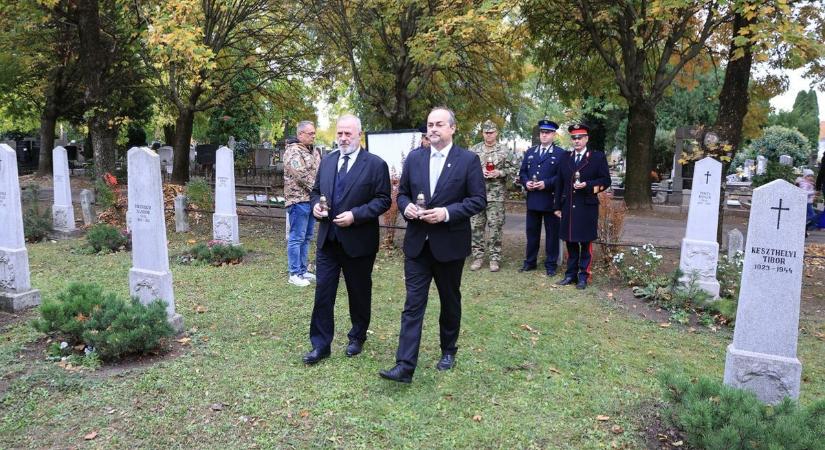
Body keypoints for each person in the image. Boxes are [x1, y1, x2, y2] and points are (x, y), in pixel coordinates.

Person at [379, 107, 486, 383]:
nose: (434, 129)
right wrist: (408, 208)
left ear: (453, 128)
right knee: (413, 304)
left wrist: (446, 213)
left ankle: (448, 349)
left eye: (439, 124)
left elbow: (478, 200)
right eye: (430, 124)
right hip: (417, 244)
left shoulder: (468, 160)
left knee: (450, 301)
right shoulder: (415, 159)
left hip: (449, 244)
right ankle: (404, 365)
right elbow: (402, 194)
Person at [302, 115, 391, 364]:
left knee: (359, 292)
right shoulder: (328, 161)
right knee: (323, 293)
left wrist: (356, 215)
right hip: (328, 240)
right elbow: (316, 192)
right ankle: (320, 345)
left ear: (359, 135)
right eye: (339, 133)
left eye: (347, 134)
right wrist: (315, 208)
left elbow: (383, 200)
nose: (342, 138)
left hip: (359, 241)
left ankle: (357, 336)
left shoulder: (375, 164)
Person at [553, 123, 611, 290]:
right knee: (570, 242)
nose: (576, 141)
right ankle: (570, 274)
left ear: (586, 139)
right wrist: (556, 206)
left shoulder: (597, 157)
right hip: (568, 206)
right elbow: (559, 183)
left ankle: (583, 276)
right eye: (574, 138)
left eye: (580, 137)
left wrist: (587, 185)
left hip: (587, 206)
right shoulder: (565, 157)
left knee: (585, 244)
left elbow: (605, 181)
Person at [518, 119, 565, 276]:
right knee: (532, 233)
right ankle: (530, 262)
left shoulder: (560, 154)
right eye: (542, 132)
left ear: (554, 134)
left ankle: (551, 264)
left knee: (552, 235)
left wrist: (546, 183)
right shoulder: (530, 152)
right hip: (533, 199)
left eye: (547, 133)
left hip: (551, 200)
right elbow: (522, 172)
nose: (544, 135)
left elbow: (562, 177)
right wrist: (526, 183)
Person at [469, 120, 516, 272]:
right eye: (486, 132)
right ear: (482, 133)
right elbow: (466, 170)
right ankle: (477, 257)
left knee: (495, 227)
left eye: (491, 132)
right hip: (477, 194)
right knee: (476, 226)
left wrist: (500, 172)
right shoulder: (474, 150)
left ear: (496, 133)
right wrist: (478, 172)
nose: (488, 135)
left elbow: (514, 170)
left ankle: (494, 259)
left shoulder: (504, 150)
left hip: (496, 195)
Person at [283, 121, 321, 287]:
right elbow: (301, 175)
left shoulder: (311, 150)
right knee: (296, 238)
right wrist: (320, 189)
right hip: (298, 200)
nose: (313, 136)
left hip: (310, 200)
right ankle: (294, 273)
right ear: (300, 135)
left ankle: (303, 270)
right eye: (310, 133)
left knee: (306, 237)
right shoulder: (293, 151)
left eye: (314, 133)